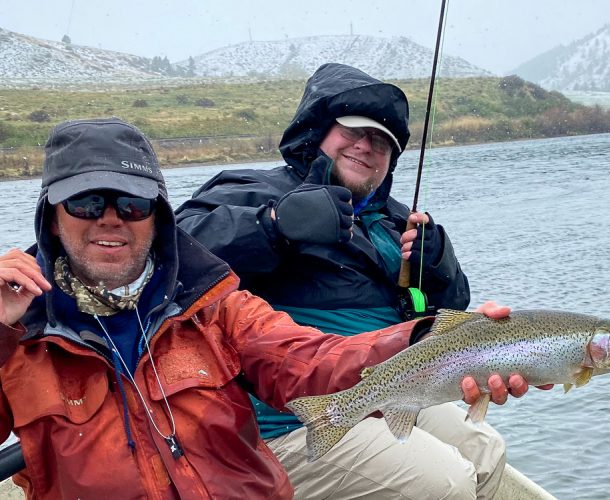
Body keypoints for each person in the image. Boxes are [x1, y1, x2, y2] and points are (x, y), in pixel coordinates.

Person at [0, 117, 522, 499]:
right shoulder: (19, 330)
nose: (110, 220)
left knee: (481, 451)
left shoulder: (214, 308)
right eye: (87, 203)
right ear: (51, 217)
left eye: (132, 204)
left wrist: (436, 340)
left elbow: (313, 360)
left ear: (157, 218)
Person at [176, 63, 526, 499]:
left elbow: (440, 315)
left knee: (486, 450)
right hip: (285, 417)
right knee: (444, 483)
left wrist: (441, 267)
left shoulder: (399, 221)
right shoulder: (253, 191)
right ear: (319, 132)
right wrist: (271, 225)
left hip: (391, 389)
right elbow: (175, 255)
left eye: (382, 141)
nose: (366, 146)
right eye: (353, 131)